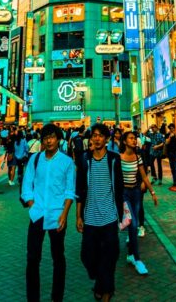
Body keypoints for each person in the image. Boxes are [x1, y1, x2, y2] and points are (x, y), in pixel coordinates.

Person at [22, 124, 76, 302]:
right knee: (32, 259)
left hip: (56, 216)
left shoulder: (67, 162)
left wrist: (65, 215)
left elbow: (70, 191)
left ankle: (57, 297)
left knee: (58, 258)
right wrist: (31, 204)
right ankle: (33, 298)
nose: (48, 140)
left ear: (58, 139)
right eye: (45, 137)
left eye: (52, 137)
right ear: (42, 140)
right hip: (37, 215)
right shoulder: (35, 159)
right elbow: (27, 183)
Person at [76, 123, 125, 301]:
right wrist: (78, 216)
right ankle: (100, 282)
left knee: (110, 255)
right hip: (89, 218)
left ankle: (106, 290)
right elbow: (80, 189)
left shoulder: (114, 159)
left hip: (110, 216)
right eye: (94, 135)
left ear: (106, 139)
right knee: (87, 256)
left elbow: (119, 187)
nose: (96, 138)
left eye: (100, 135)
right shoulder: (84, 159)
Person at [119, 131, 158, 275]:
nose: (134, 140)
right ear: (124, 142)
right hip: (124, 195)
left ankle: (130, 255)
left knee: (132, 225)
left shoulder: (138, 157)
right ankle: (137, 259)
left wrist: (153, 193)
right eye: (130, 138)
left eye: (135, 138)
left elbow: (144, 177)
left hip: (135, 193)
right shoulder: (119, 158)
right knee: (134, 224)